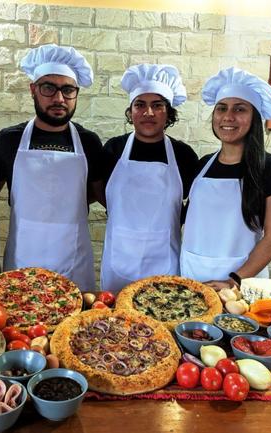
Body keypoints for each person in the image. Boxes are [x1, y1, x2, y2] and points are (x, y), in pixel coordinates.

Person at [0, 44, 104, 292]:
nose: (59, 98)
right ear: (33, 90)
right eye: (49, 88)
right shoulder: (8, 140)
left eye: (68, 90)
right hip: (23, 260)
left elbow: (103, 195)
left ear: (76, 93)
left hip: (73, 260)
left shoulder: (89, 142)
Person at [180, 66, 271, 290]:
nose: (228, 117)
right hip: (192, 276)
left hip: (240, 284)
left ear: (254, 118)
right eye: (221, 108)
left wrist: (233, 280)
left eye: (240, 109)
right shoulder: (202, 165)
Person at [100, 64, 199, 293]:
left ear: (168, 112)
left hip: (164, 259)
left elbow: (193, 205)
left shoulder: (184, 155)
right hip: (119, 259)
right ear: (131, 111)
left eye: (157, 105)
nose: (149, 113)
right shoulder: (113, 149)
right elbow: (99, 190)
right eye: (140, 105)